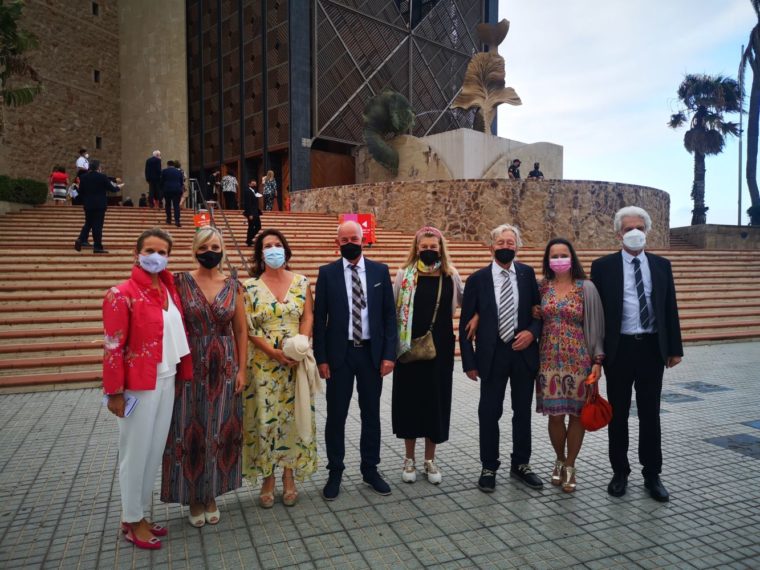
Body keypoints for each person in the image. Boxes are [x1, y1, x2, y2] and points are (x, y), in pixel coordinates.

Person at [102, 228, 192, 550]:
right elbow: (113, 345)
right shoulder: (121, 294)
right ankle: (131, 519)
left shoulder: (169, 290)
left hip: (166, 377)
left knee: (153, 451)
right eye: (150, 250)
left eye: (162, 252)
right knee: (134, 452)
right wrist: (114, 392)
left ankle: (139, 513)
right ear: (136, 253)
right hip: (138, 385)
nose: (156, 257)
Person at [591, 206, 683, 503]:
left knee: (650, 413)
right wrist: (596, 353)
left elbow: (669, 307)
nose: (634, 233)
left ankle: (652, 474)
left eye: (639, 228)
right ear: (618, 233)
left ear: (647, 232)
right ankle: (620, 471)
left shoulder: (661, 265)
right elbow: (597, 312)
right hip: (619, 350)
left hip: (651, 348)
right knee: (617, 414)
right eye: (628, 228)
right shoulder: (603, 267)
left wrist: (674, 348)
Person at [161, 227, 246, 526]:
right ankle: (192, 497)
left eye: (216, 247)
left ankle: (211, 494)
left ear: (223, 250)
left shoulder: (233, 285)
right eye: (205, 247)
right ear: (195, 250)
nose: (211, 251)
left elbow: (240, 330)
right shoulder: (179, 282)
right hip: (190, 361)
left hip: (224, 365)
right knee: (188, 428)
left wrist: (242, 369)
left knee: (220, 429)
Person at [313, 221, 397, 500]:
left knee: (371, 413)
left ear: (364, 240)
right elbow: (319, 319)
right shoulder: (327, 273)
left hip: (371, 354)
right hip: (340, 355)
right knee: (336, 415)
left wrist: (389, 354)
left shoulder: (379, 271)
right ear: (337, 242)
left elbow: (389, 316)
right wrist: (321, 358)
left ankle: (370, 469)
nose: (350, 243)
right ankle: (335, 471)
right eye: (345, 239)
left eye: (355, 238)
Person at [459, 224, 543, 493]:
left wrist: (532, 333)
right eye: (501, 243)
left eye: (510, 243)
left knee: (522, 412)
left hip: (522, 353)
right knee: (489, 412)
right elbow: (465, 324)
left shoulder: (528, 275)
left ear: (517, 247)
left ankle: (521, 464)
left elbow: (538, 314)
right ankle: (488, 466)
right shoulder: (477, 279)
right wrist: (469, 362)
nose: (506, 247)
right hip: (492, 355)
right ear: (491, 247)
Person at [242, 229, 317, 507]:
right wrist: (273, 352)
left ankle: (289, 475)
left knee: (294, 417)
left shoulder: (301, 282)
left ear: (285, 250)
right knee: (265, 419)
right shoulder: (249, 287)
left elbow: (308, 316)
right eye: (267, 246)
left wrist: (301, 344)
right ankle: (268, 477)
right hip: (263, 364)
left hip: (296, 362)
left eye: (277, 244)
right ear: (260, 254)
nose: (273, 249)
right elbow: (249, 327)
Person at [392, 226, 463, 485]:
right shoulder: (404, 275)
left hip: (440, 350)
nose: (429, 251)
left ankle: (430, 459)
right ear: (416, 248)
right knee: (409, 403)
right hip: (409, 350)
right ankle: (409, 458)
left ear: (441, 249)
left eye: (434, 247)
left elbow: (466, 302)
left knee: (436, 404)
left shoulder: (451, 275)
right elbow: (393, 306)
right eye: (424, 247)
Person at [535, 237, 604, 493]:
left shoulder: (586, 287)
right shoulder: (541, 287)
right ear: (547, 260)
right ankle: (559, 459)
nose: (559, 259)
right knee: (555, 416)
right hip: (548, 361)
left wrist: (597, 360)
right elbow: (531, 315)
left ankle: (571, 464)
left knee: (577, 416)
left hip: (579, 360)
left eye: (563, 255)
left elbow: (596, 324)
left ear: (572, 257)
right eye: (554, 256)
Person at [74, 160, 119, 254]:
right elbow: (112, 189)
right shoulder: (102, 177)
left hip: (88, 205)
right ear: (98, 167)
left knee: (88, 223)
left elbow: (81, 192)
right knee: (97, 226)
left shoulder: (83, 177)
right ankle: (97, 247)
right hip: (99, 205)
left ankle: (81, 239)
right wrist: (118, 187)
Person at [161, 160, 184, 227]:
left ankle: (169, 220)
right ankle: (177, 221)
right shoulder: (179, 172)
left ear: (167, 165)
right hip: (177, 190)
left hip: (167, 190)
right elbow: (181, 182)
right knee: (176, 206)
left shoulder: (164, 171)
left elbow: (161, 181)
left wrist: (162, 189)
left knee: (168, 205)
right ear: (173, 165)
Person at [243, 179, 262, 246]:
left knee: (258, 226)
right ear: (249, 184)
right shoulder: (247, 191)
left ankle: (249, 239)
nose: (254, 185)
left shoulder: (254, 191)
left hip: (255, 212)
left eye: (255, 184)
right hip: (251, 213)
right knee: (251, 227)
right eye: (253, 184)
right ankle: (249, 241)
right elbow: (247, 203)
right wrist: (250, 214)